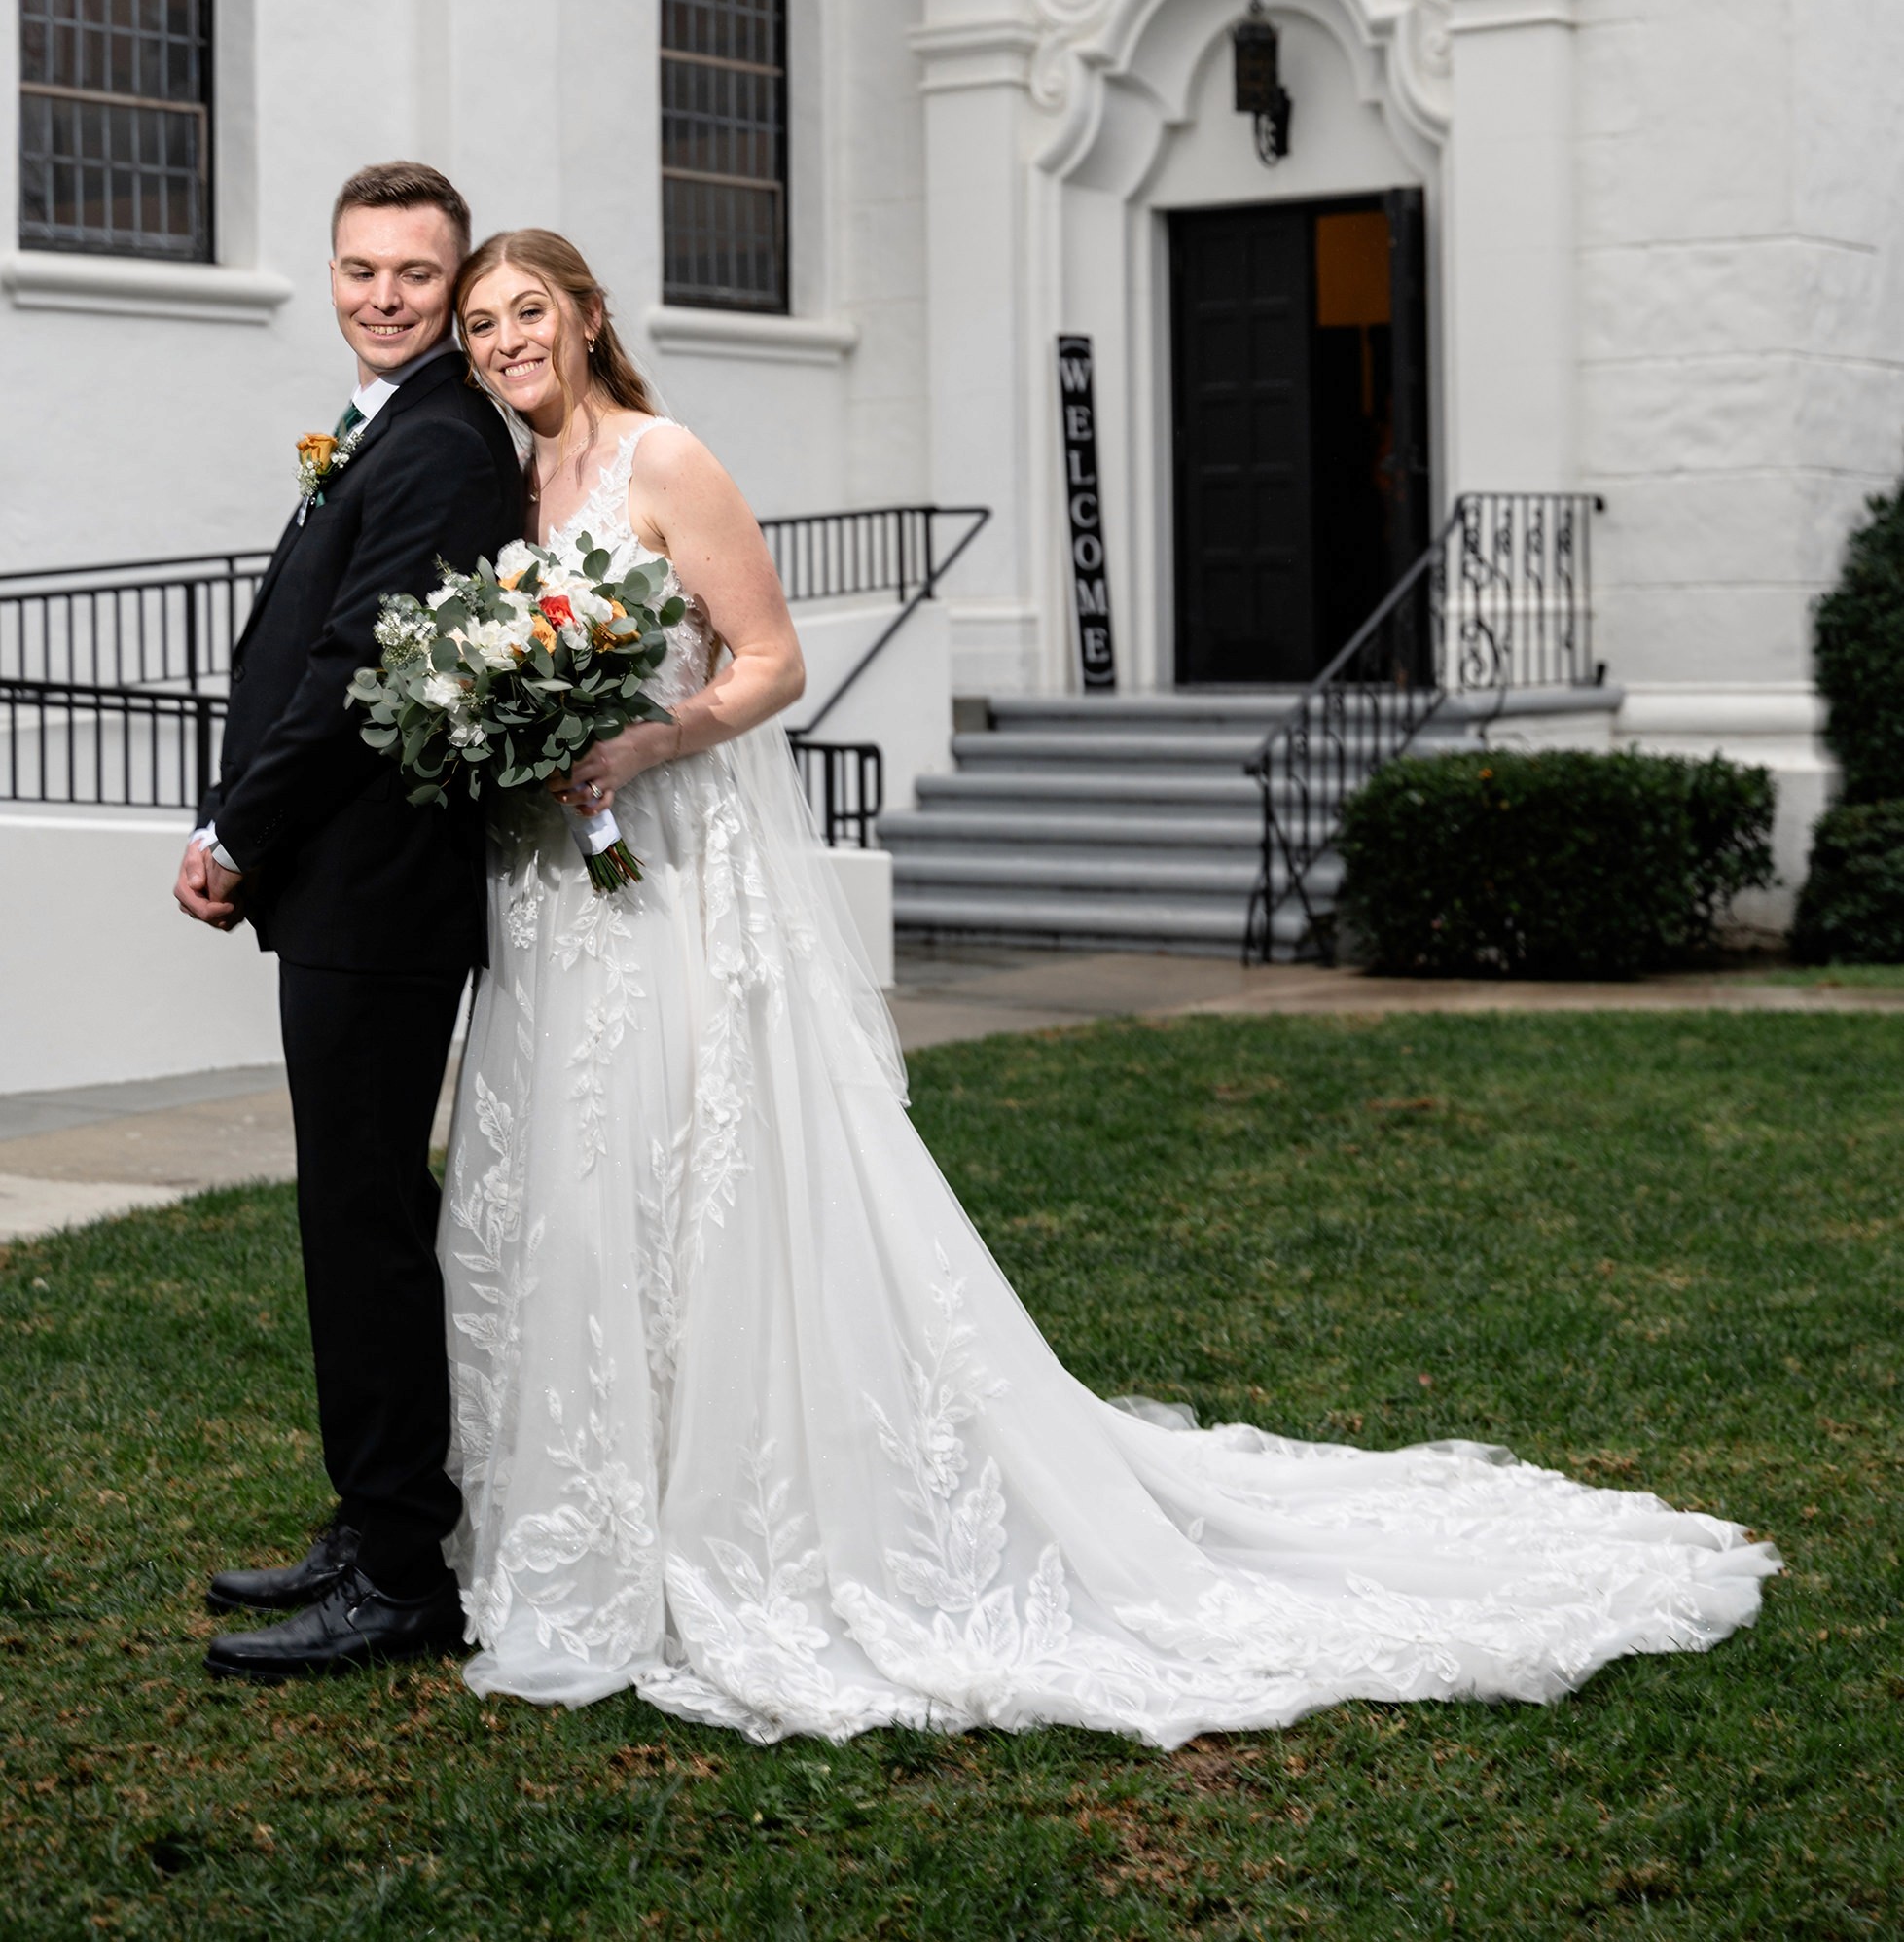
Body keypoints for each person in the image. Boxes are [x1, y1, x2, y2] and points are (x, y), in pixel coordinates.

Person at [441, 228, 1777, 1744]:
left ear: (588, 314)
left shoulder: (664, 459)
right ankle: (593, 1514)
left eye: (525, 310)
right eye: (481, 323)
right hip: (559, 891)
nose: (501, 341)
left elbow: (770, 659)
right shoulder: (511, 488)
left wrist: (645, 742)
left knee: (706, 1168)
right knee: (587, 1184)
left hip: (673, 868)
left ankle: (745, 1507)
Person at [177, 162, 523, 1683]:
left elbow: (349, 684)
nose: (381, 295)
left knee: (366, 1225)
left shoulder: (445, 443)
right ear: (331, 272)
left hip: (376, 890)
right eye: (358, 268)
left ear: (454, 284)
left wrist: (237, 828)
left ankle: (400, 1571)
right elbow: (300, 644)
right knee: (354, 1213)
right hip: (343, 884)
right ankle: (368, 1518)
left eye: (413, 273)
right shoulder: (390, 425)